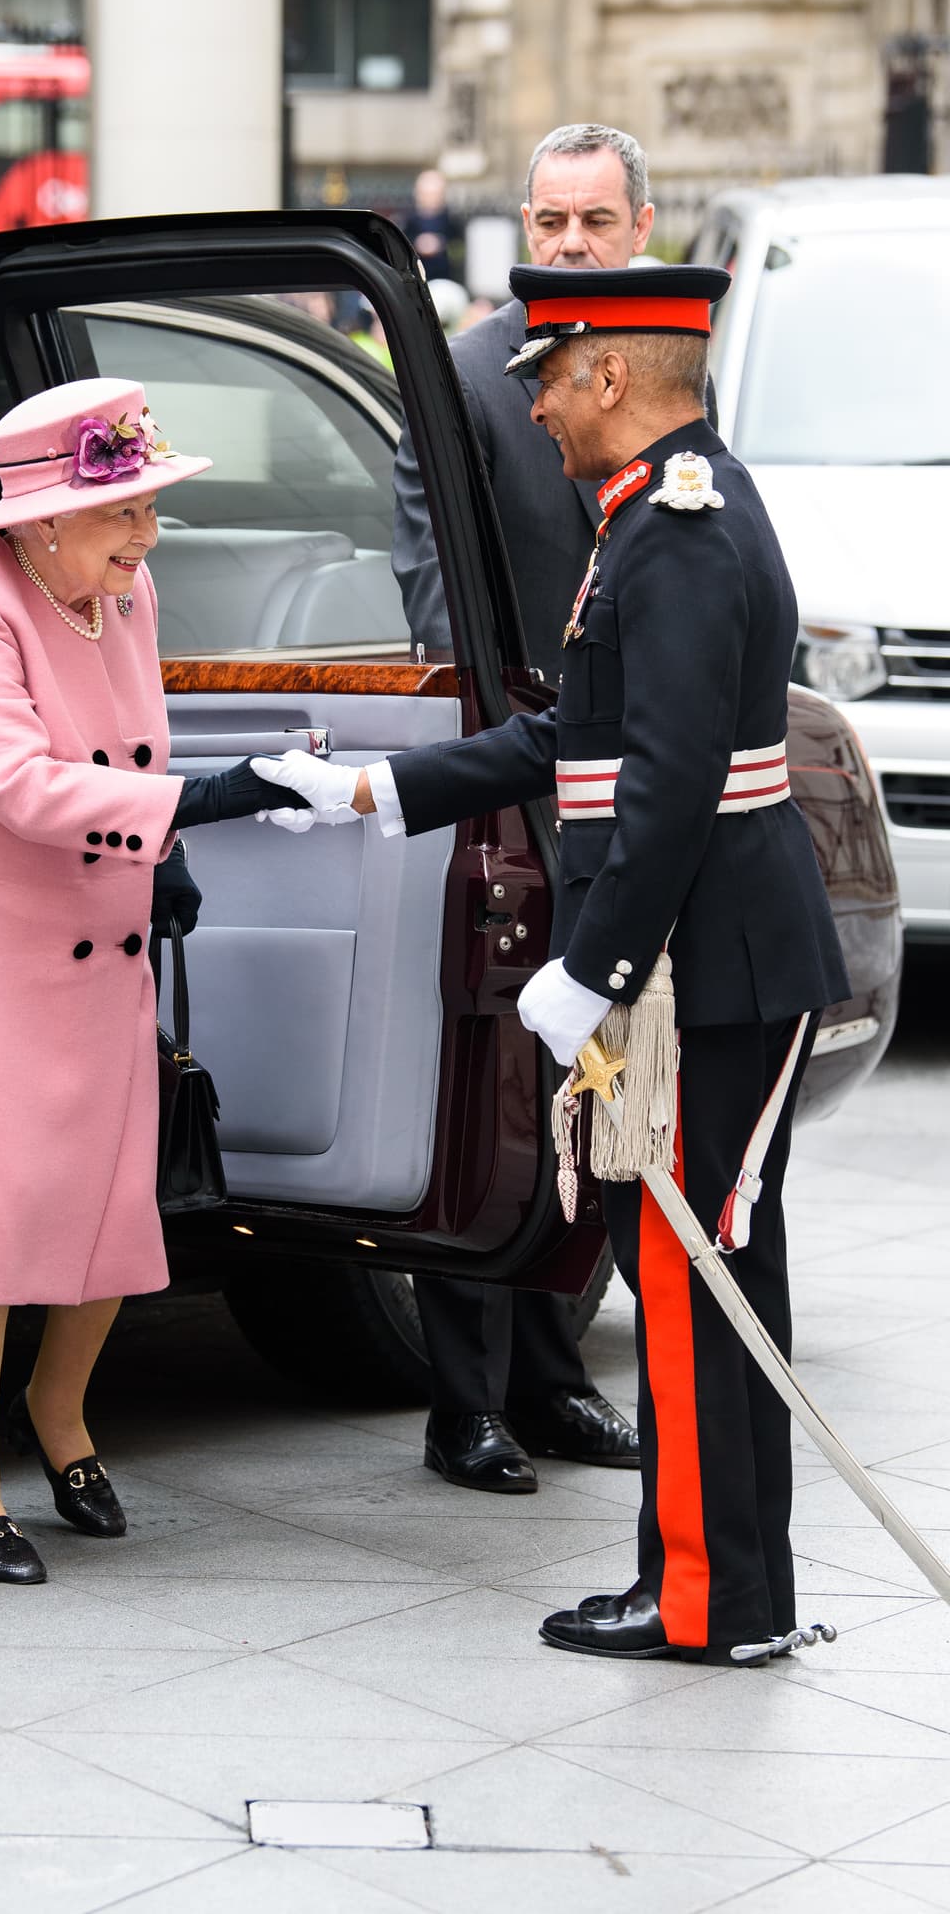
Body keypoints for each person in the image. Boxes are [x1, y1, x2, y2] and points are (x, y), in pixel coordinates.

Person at [251, 263, 850, 1665]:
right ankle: (726, 1589)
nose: (528, 397)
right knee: (708, 1272)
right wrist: (377, 793)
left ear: (612, 378)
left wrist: (595, 967)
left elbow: (676, 781)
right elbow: (568, 737)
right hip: (716, 955)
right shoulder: (652, 516)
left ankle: (709, 1599)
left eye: (547, 372)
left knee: (699, 1272)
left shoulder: (683, 528)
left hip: (712, 966)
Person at [0, 378, 305, 1586]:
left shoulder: (119, 587)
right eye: (121, 512)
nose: (143, 536)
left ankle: (63, 1419)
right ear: (37, 517)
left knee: (101, 1197)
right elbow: (23, 786)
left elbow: (131, 732)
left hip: (95, 914)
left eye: (145, 508)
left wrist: (168, 849)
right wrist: (200, 800)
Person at [388, 124, 660, 1493]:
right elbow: (424, 545)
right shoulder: (469, 371)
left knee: (598, 1088)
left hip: (636, 786)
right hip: (512, 770)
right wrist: (491, 708)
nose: (565, 243)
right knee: (490, 1089)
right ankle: (466, 1403)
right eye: (547, 221)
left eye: (592, 222)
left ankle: (559, 1375)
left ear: (637, 227)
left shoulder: (671, 374)